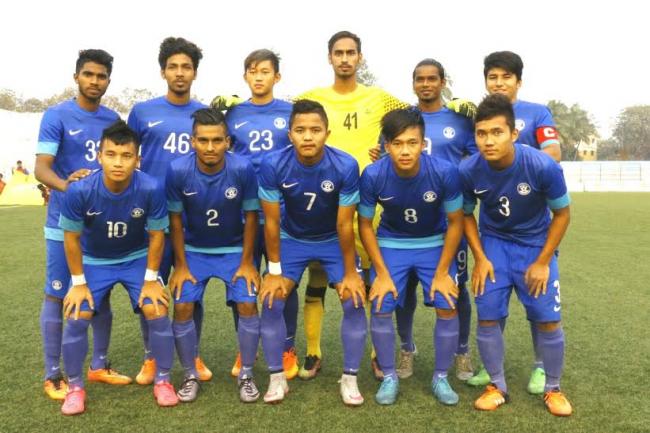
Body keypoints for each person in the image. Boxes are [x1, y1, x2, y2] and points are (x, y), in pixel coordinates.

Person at [459, 94, 572, 416]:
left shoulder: (542, 165)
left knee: (548, 320)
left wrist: (543, 262)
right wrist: (480, 257)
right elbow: (465, 215)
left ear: (514, 133)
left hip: (535, 247)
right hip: (494, 246)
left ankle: (553, 389)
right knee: (488, 316)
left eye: (497, 132)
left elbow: (562, 215)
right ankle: (496, 386)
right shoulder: (468, 170)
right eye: (482, 133)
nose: (488, 141)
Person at [58, 120, 176, 415]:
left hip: (136, 257)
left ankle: (163, 380)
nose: (118, 163)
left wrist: (152, 279)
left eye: (126, 156)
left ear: (138, 159)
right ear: (99, 156)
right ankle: (75, 388)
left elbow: (157, 235)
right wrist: (78, 283)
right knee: (77, 315)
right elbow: (71, 239)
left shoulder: (151, 187)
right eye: (111, 154)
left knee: (157, 309)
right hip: (94, 261)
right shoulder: (79, 190)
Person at [257, 100, 367, 405]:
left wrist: (350, 273)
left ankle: (350, 379)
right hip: (291, 238)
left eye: (315, 130)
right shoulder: (272, 164)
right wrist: (274, 272)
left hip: (332, 239)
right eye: (300, 130)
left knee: (354, 299)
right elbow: (271, 222)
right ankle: (277, 378)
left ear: (327, 133)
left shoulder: (345, 165)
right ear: (289, 134)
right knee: (272, 299)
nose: (308, 136)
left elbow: (345, 224)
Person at [34, 49, 129, 401]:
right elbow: (41, 168)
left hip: (101, 225)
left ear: (108, 81)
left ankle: (99, 365)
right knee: (57, 293)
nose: (94, 81)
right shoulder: (57, 115)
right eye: (88, 74)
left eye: (101, 76)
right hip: (65, 223)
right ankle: (53, 374)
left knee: (100, 295)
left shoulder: (112, 119)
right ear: (76, 77)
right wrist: (68, 187)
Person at [469, 50, 562, 392]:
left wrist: (520, 162)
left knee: (540, 303)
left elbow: (553, 151)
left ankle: (541, 367)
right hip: (495, 230)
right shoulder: (476, 116)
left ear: (518, 81)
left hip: (533, 226)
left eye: (506, 77)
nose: (499, 83)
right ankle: (492, 368)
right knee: (491, 302)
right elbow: (469, 156)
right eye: (492, 77)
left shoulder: (537, 113)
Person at [359, 108, 464, 405]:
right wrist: (380, 273)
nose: (405, 151)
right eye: (397, 143)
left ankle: (441, 377)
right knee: (380, 302)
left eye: (412, 143)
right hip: (392, 242)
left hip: (434, 243)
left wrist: (442, 273)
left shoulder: (444, 172)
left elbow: (456, 222)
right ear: (386, 145)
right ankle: (389, 376)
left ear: (423, 143)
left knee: (447, 302)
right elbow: (364, 225)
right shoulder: (373, 174)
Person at [384, 59, 478, 382]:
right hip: (406, 218)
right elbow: (386, 154)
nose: (425, 84)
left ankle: (462, 351)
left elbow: (476, 155)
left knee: (456, 288)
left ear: (442, 82)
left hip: (449, 218)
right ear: (413, 84)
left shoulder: (459, 119)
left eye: (432, 79)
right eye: (420, 79)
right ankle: (406, 348)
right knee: (404, 290)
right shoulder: (403, 119)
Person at [127, 36, 210, 385]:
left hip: (194, 216)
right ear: (163, 72)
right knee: (152, 287)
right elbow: (126, 155)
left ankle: (193, 354)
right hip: (152, 219)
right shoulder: (142, 112)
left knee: (191, 288)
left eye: (186, 67)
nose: (179, 73)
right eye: (173, 67)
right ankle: (152, 357)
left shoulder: (205, 114)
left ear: (195, 72)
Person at [166, 108, 261, 403]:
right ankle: (190, 374)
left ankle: (246, 374)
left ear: (227, 142)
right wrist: (181, 266)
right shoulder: (177, 170)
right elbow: (175, 221)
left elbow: (251, 217)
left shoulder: (242, 168)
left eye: (217, 140)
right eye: (203, 140)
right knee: (183, 306)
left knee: (247, 304)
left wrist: (247, 263)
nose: (210, 147)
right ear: (192, 141)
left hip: (234, 250)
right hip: (194, 251)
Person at [223, 49, 298, 379]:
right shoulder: (232, 113)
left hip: (283, 211)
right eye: (252, 71)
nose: (258, 77)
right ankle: (247, 347)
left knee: (284, 281)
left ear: (276, 77)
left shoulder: (290, 112)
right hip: (243, 212)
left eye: (265, 71)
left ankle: (287, 347)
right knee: (243, 280)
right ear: (245, 76)